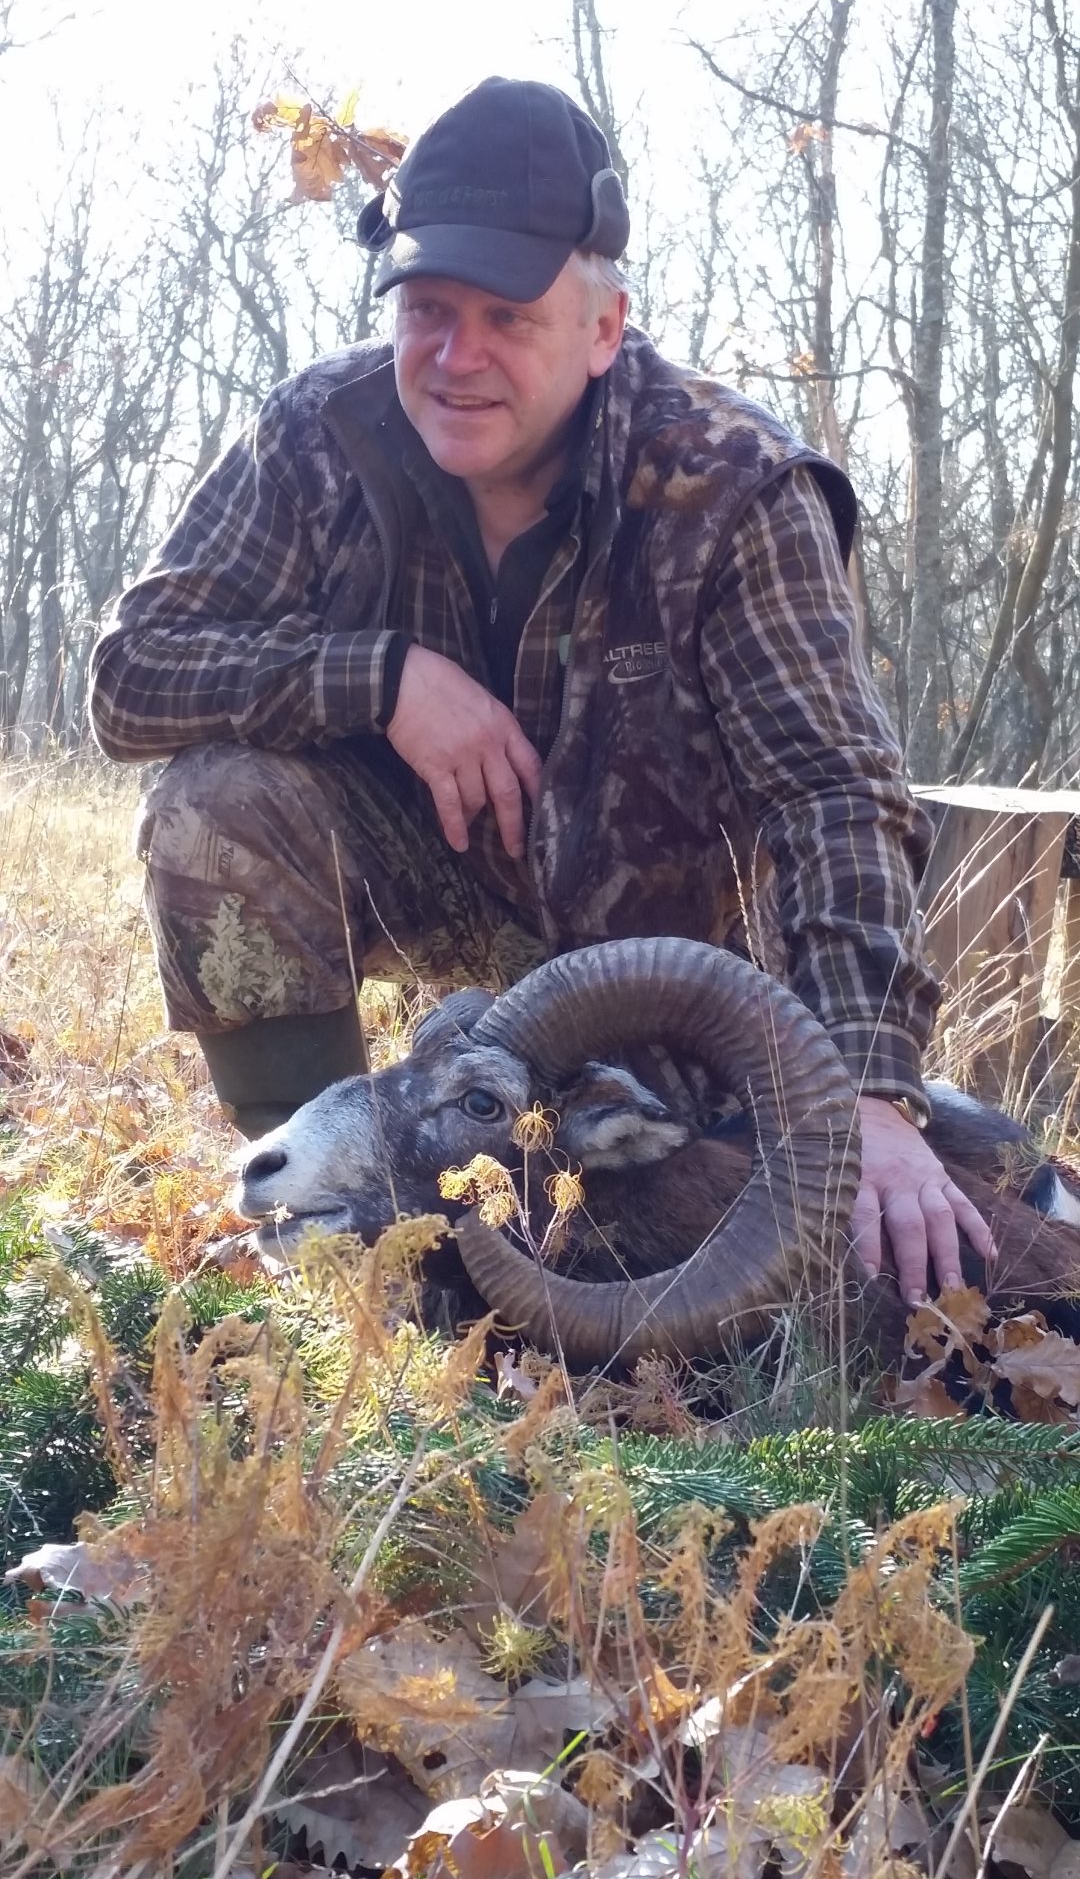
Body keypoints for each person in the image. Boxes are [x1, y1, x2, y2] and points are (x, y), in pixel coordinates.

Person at [88, 75, 992, 1307]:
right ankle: (334, 1223)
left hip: (673, 969)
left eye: (508, 318)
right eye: (427, 310)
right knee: (214, 805)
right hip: (452, 907)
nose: (457, 358)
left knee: (695, 1230)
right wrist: (381, 679)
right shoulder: (321, 435)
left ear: (605, 328)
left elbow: (835, 793)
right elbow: (132, 675)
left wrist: (868, 1092)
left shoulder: (734, 488)